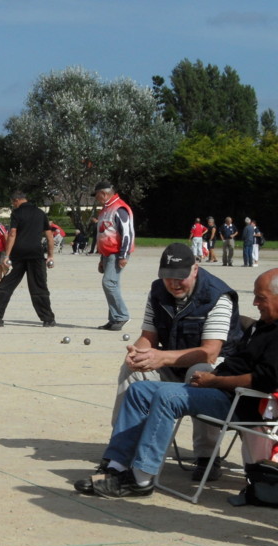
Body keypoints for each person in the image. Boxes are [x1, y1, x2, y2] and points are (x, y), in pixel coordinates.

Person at [76, 269, 278, 499]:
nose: (255, 302)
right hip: (222, 390)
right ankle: (116, 466)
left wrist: (215, 380)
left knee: (168, 397)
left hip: (242, 402)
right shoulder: (261, 325)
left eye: (261, 297)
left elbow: (265, 380)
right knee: (139, 390)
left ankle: (141, 479)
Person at [102, 243, 243, 481]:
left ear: (195, 269)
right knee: (131, 369)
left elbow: (210, 352)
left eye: (180, 277)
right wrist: (137, 353)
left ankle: (208, 457)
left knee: (200, 372)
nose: (174, 284)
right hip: (172, 363)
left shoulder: (218, 295)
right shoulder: (157, 292)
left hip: (213, 366)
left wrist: (161, 357)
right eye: (167, 277)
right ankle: (121, 451)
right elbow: (149, 337)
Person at [0, 190, 56, 327]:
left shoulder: (17, 213)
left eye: (12, 203)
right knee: (39, 286)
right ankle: (48, 319)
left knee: (6, 285)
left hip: (18, 254)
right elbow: (49, 237)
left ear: (16, 200)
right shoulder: (40, 213)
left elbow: (12, 233)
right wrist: (50, 256)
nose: (13, 205)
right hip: (36, 254)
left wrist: (6, 255)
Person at [94, 181, 134, 331]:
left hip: (117, 253)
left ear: (103, 194)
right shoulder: (106, 209)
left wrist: (123, 255)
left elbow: (127, 233)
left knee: (109, 283)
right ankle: (113, 319)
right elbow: (103, 233)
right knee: (112, 284)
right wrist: (101, 258)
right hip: (107, 253)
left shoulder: (119, 208)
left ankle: (122, 316)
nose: (96, 198)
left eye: (97, 195)